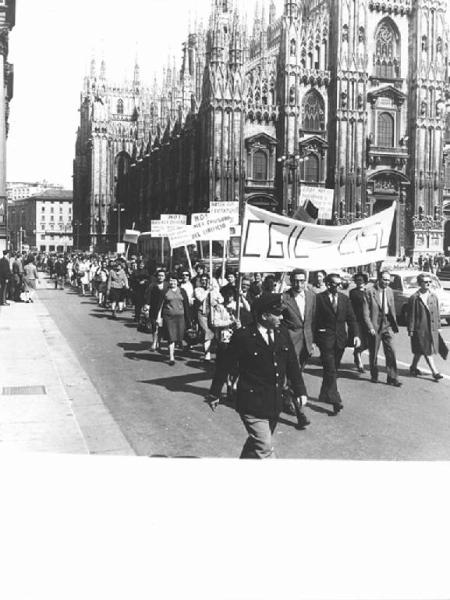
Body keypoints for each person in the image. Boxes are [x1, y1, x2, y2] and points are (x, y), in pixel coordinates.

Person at [207, 293, 308, 459]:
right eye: (277, 313)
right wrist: (215, 393)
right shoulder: (243, 336)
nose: (281, 317)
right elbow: (224, 365)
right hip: (251, 403)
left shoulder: (282, 332)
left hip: (274, 401)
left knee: (256, 444)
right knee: (265, 448)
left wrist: (300, 391)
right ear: (264, 315)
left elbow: (292, 365)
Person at [314, 273, 360, 415]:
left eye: (340, 284)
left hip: (340, 340)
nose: (339, 286)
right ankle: (335, 400)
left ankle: (324, 394)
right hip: (325, 339)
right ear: (328, 284)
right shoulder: (319, 299)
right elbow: (314, 320)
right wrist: (315, 339)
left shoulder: (344, 299)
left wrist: (356, 335)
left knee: (333, 369)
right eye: (335, 284)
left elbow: (352, 319)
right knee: (331, 369)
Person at [365, 270, 402, 387]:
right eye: (384, 279)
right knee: (374, 351)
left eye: (388, 280)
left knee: (391, 351)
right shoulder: (370, 291)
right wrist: (370, 327)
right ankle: (374, 374)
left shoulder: (390, 291)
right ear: (379, 279)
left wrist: (393, 323)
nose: (386, 282)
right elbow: (365, 312)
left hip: (387, 324)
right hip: (375, 325)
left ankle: (392, 377)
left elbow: (392, 309)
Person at [407, 273, 443, 381]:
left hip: (431, 328)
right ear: (419, 283)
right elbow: (411, 315)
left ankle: (413, 367)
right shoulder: (414, 298)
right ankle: (435, 372)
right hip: (419, 328)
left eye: (429, 282)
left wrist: (438, 325)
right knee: (426, 350)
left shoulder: (433, 296)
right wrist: (411, 329)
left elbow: (437, 312)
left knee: (419, 350)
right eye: (425, 282)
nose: (428, 284)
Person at [282, 268, 316, 370]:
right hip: (291, 338)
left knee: (301, 365)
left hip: (307, 339)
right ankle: (290, 385)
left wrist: (313, 341)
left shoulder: (311, 296)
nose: (299, 284)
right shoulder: (284, 297)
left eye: (302, 281)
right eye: (296, 281)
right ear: (291, 281)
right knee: (292, 367)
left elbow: (313, 319)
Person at [156, 273, 191, 365]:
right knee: (171, 337)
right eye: (171, 280)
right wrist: (158, 318)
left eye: (174, 281)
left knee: (178, 337)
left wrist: (189, 320)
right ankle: (171, 357)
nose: (172, 282)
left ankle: (176, 351)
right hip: (169, 317)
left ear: (178, 282)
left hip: (180, 317)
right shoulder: (165, 291)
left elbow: (186, 305)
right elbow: (160, 305)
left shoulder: (182, 291)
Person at [349, 272, 371, 373]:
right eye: (357, 280)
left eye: (361, 280)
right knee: (358, 340)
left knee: (367, 342)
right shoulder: (353, 292)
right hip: (357, 319)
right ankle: (359, 360)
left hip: (366, 320)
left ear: (365, 281)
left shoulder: (368, 291)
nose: (359, 282)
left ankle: (357, 354)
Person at [144, 269, 169, 351]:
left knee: (161, 327)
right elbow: (148, 296)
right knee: (155, 326)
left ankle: (159, 342)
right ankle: (154, 343)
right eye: (159, 275)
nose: (160, 277)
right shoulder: (152, 285)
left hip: (164, 309)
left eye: (162, 276)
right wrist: (147, 306)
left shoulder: (167, 286)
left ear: (165, 277)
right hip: (154, 308)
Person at [129, 258, 150, 323]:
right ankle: (137, 316)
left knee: (144, 304)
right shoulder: (135, 271)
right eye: (140, 264)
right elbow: (132, 279)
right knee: (137, 304)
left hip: (144, 289)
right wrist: (136, 282)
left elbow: (149, 279)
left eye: (142, 264)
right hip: (137, 289)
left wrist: (144, 281)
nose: (141, 265)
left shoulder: (146, 271)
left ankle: (145, 317)